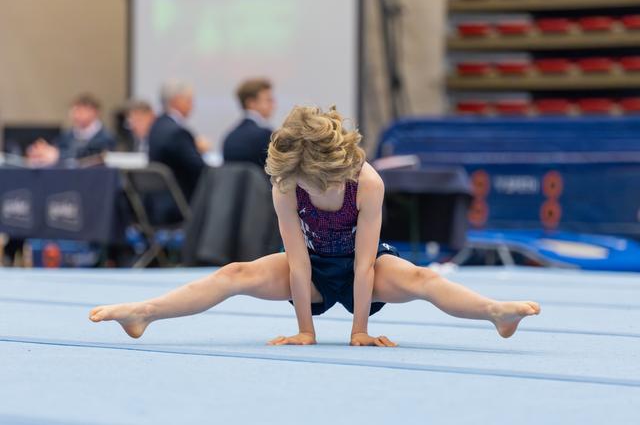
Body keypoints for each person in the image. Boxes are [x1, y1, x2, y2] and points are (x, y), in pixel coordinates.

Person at [89, 105, 540, 347]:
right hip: (312, 268)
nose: (296, 183)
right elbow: (298, 261)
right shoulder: (286, 185)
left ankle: (494, 313)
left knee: (423, 277)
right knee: (234, 274)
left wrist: (358, 330)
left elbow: (365, 265)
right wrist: (306, 329)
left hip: (365, 268)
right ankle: (143, 314)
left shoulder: (367, 183)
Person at [148, 80, 205, 201]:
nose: (192, 106)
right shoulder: (177, 133)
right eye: (189, 100)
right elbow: (198, 168)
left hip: (157, 201)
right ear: (177, 101)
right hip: (180, 199)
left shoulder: (156, 126)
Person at [27, 93, 115, 166]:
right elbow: (57, 147)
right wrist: (44, 150)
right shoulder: (68, 134)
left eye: (80, 111)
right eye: (74, 111)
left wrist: (58, 155)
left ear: (94, 112)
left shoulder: (105, 137)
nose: (76, 115)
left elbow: (89, 156)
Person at [222, 78, 275, 168]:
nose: (273, 104)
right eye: (268, 100)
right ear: (251, 103)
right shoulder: (265, 135)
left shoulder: (230, 136)